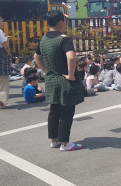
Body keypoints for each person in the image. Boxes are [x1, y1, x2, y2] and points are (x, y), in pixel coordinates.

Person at [34, 10, 85, 151]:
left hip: (51, 81)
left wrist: (46, 71)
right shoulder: (64, 39)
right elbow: (71, 57)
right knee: (67, 112)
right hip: (64, 82)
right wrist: (70, 75)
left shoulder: (44, 39)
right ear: (60, 22)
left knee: (54, 111)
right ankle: (65, 143)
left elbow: (36, 57)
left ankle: (54, 140)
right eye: (64, 21)